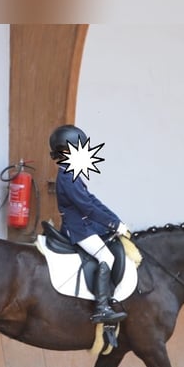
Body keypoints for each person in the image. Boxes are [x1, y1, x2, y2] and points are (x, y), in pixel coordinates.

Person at [49, 124, 129, 325]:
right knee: (106, 257)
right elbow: (86, 207)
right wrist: (111, 224)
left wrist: (116, 221)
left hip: (84, 226)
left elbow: (92, 200)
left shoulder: (71, 173)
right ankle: (101, 308)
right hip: (77, 229)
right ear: (67, 150)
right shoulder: (67, 176)